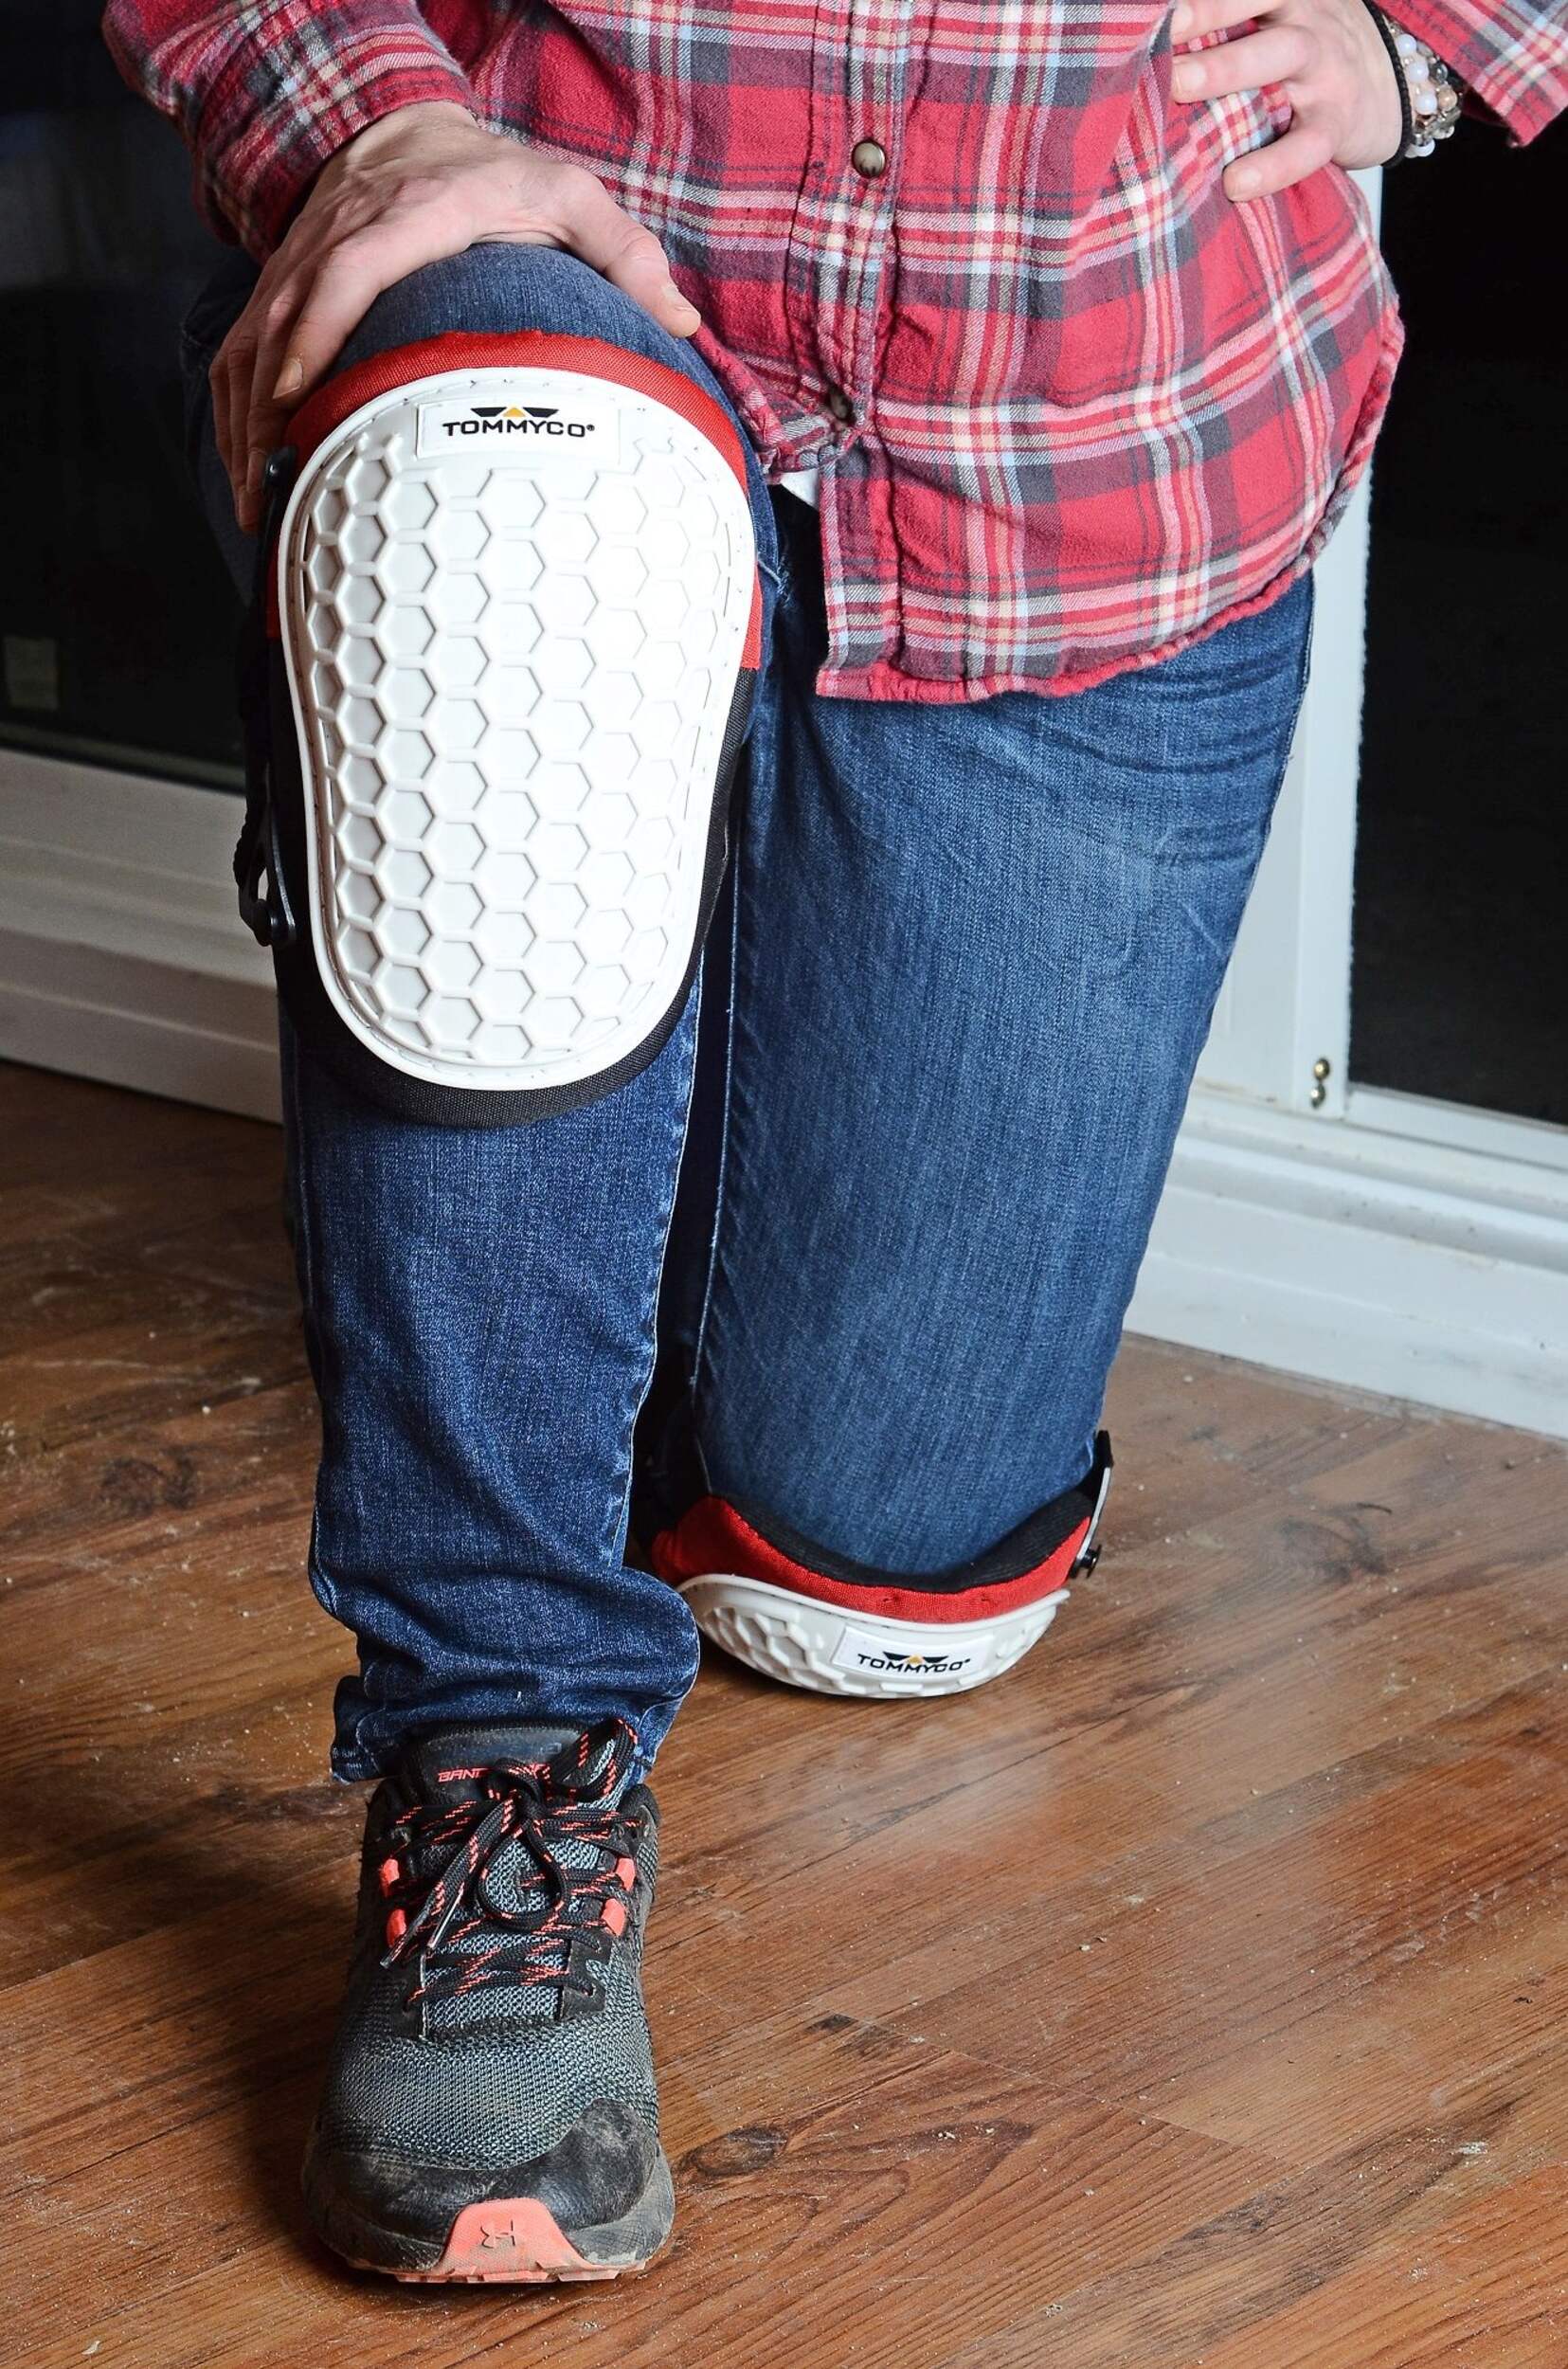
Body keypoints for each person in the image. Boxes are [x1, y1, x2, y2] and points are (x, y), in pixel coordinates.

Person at [107, 0, 1566, 2288]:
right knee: (502, 480)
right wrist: (357, 115)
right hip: (542, 274)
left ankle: (572, 1174)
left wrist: (1456, 38)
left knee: (871, 1576)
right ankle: (497, 1722)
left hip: (1084, 444)